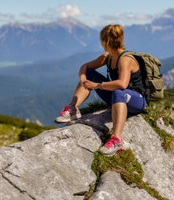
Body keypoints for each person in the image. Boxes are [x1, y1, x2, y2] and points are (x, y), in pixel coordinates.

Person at [55, 24, 147, 156]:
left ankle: (117, 139)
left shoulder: (125, 59)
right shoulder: (107, 57)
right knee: (91, 73)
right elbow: (85, 66)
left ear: (105, 41)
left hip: (137, 101)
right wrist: (83, 78)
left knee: (118, 92)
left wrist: (97, 85)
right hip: (118, 98)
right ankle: (73, 109)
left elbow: (122, 84)